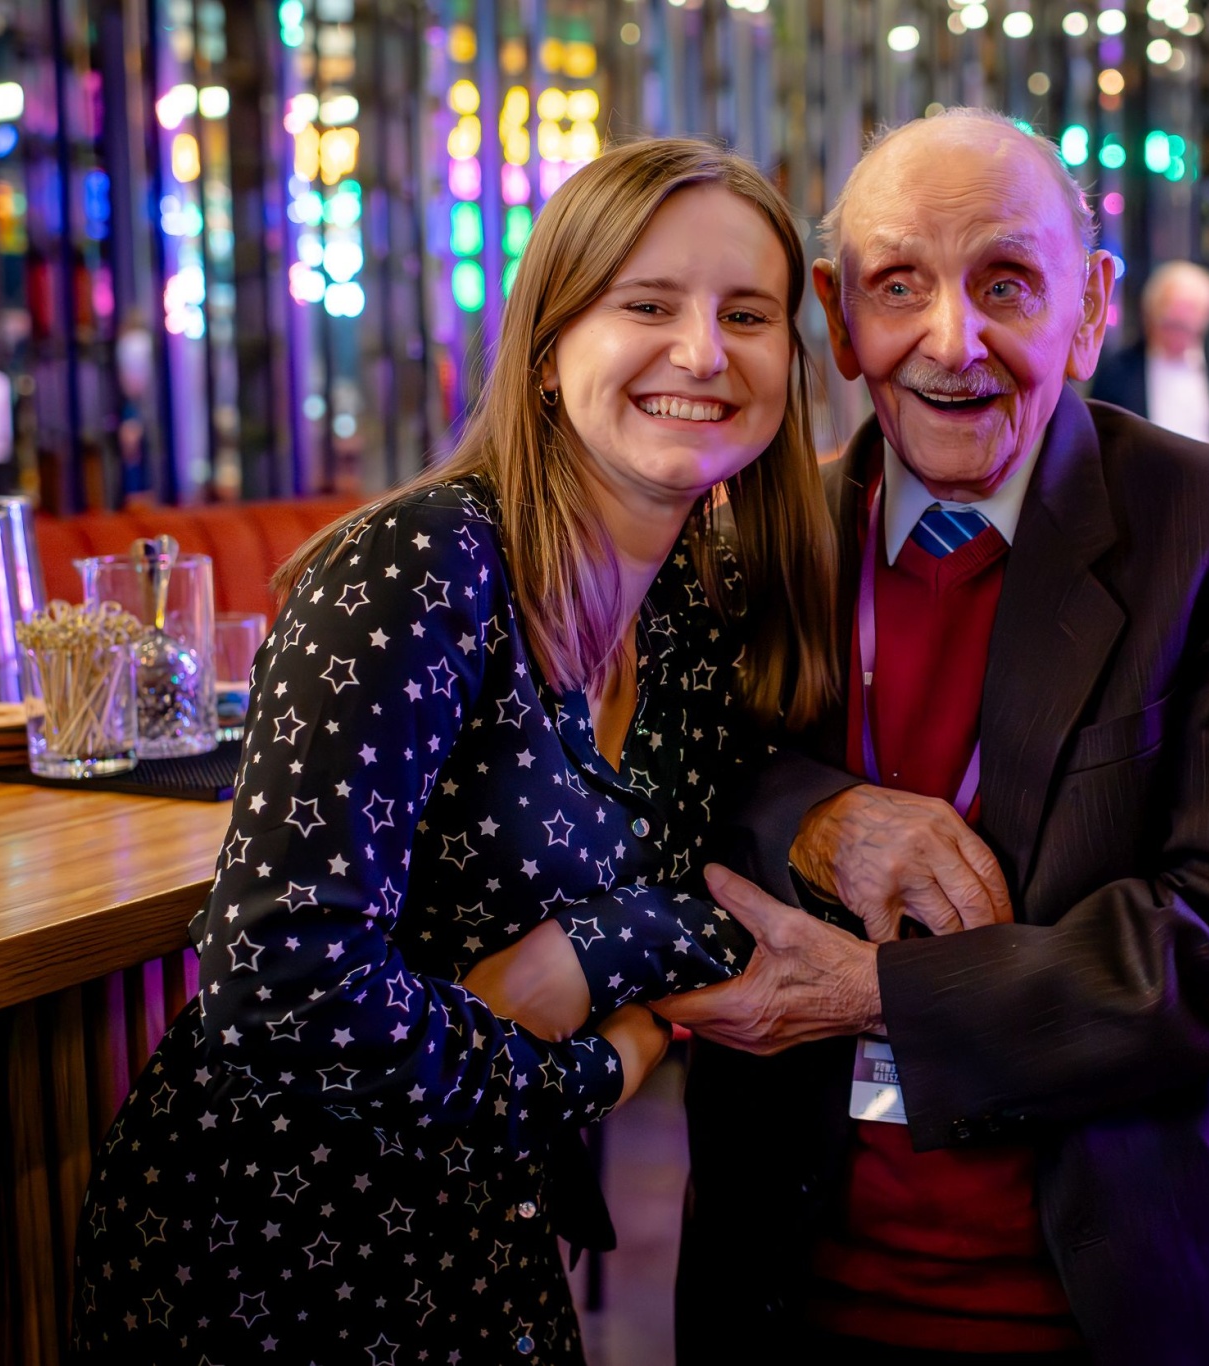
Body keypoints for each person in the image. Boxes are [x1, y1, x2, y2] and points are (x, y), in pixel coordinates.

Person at [67, 137, 840, 1362]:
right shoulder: (422, 566)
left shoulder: (691, 608)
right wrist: (597, 1067)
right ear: (546, 351)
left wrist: (592, 950)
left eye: (745, 315)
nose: (703, 352)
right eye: (647, 305)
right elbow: (281, 978)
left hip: (481, 1227)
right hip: (271, 1246)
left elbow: (718, 881)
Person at [658, 110, 1209, 1365]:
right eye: (897, 285)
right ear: (838, 318)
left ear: (1088, 308)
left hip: (1117, 1290)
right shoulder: (751, 535)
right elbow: (673, 798)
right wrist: (813, 813)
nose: (950, 341)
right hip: (793, 1278)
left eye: (1004, 283)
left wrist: (875, 994)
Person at [1087, 259, 1209, 452]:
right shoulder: (1117, 373)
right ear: (1150, 316)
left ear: (1205, 320)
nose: (1176, 335)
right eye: (1169, 325)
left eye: (1185, 327)